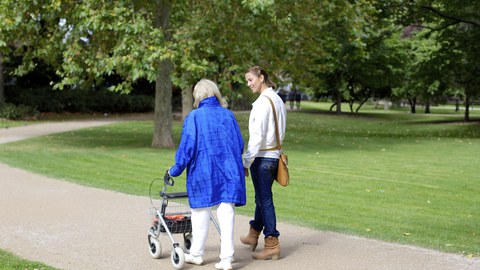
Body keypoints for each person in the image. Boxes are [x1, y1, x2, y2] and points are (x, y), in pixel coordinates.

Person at [168, 79, 246, 270]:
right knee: (226, 211)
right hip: (229, 171)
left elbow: (187, 148)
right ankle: (227, 258)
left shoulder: (195, 117)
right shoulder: (228, 115)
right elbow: (240, 144)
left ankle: (196, 254)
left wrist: (175, 169)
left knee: (201, 211)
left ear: (198, 96)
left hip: (203, 171)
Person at [240, 66, 286, 260]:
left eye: (250, 80)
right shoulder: (277, 99)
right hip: (275, 156)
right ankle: (253, 234)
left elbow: (257, 137)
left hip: (262, 158)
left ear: (261, 77)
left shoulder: (261, 103)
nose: (249, 84)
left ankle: (272, 242)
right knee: (262, 198)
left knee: (265, 200)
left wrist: (246, 162)